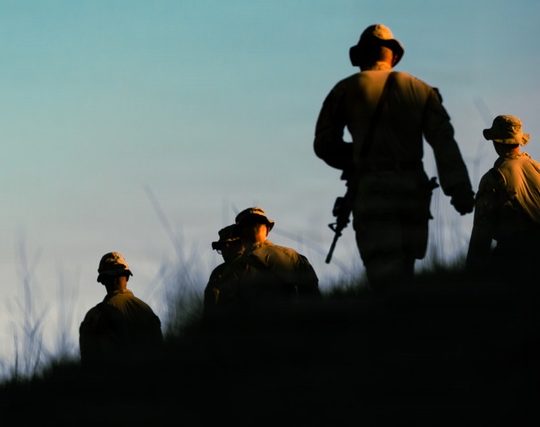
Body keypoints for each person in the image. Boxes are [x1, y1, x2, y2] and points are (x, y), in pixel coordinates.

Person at [314, 24, 475, 290]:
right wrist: (459, 189)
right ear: (394, 55)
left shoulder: (344, 89)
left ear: (361, 56)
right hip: (414, 190)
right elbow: (444, 143)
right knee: (407, 269)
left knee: (385, 273)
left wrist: (356, 159)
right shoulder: (421, 89)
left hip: (373, 188)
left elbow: (324, 144)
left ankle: (391, 327)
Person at [466, 115, 540, 270]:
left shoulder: (493, 178)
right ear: (520, 140)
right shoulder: (537, 168)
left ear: (496, 141)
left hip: (515, 259)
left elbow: (481, 234)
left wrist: (471, 274)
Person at [214, 207, 321, 307]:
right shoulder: (294, 257)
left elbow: (224, 314)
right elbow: (314, 300)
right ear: (268, 230)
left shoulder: (234, 268)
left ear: (240, 234)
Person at [79, 252, 163, 368]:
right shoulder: (146, 311)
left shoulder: (95, 316)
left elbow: (88, 362)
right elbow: (160, 352)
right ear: (127, 277)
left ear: (103, 280)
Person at [203, 223, 244, 318]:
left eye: (221, 249)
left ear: (227, 246)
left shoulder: (221, 271)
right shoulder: (263, 262)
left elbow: (211, 304)